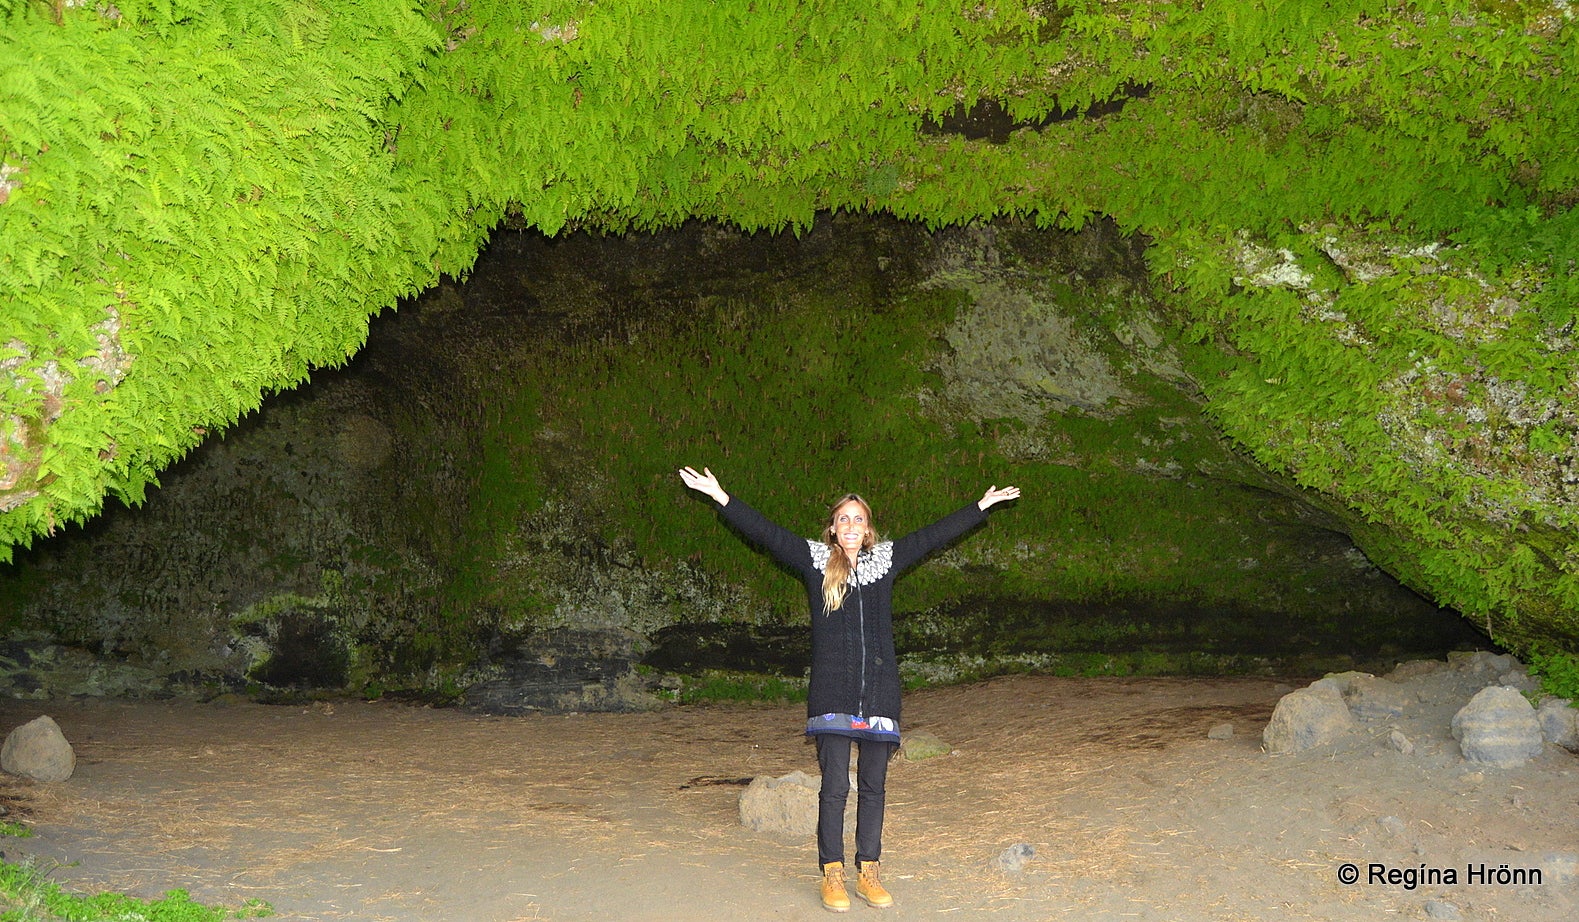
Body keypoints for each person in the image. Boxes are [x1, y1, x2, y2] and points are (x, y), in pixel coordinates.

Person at [678, 465, 1020, 912]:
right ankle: (832, 873)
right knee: (835, 787)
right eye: (844, 519)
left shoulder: (887, 561)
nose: (852, 526)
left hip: (879, 692)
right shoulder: (814, 561)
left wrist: (981, 507)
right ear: (833, 528)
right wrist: (722, 497)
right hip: (833, 694)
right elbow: (766, 532)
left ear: (869, 527)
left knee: (874, 787)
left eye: (859, 519)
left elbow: (933, 535)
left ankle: (869, 871)